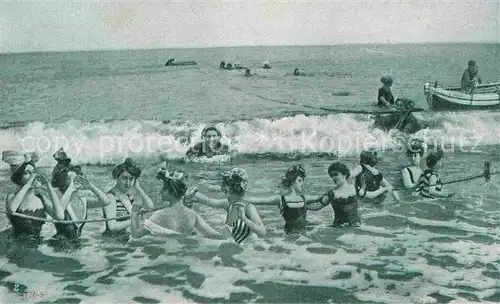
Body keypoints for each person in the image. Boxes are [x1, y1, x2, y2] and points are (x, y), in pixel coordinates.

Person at [130, 167, 223, 239]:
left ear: (172, 192)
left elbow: (136, 236)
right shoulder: (192, 215)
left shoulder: (158, 215)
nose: (160, 192)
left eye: (164, 189)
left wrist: (134, 214)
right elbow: (214, 235)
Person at [189, 168, 266, 244]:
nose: (225, 195)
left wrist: (244, 218)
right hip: (230, 242)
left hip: (244, 246)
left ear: (237, 190)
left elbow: (262, 231)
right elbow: (209, 201)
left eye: (226, 191)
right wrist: (194, 195)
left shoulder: (248, 208)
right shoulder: (229, 203)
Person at [242, 165, 323, 234]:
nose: (302, 183)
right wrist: (240, 199)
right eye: (300, 180)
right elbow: (260, 200)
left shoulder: (305, 198)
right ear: (292, 181)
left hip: (304, 234)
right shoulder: (281, 199)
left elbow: (323, 198)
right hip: (289, 236)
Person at [51, 148, 110, 240]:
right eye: (71, 180)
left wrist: (90, 186)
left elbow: (105, 202)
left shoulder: (83, 201)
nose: (75, 182)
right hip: (59, 247)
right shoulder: (59, 199)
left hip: (75, 247)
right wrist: (71, 187)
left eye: (76, 180)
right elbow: (59, 211)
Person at [2, 151, 65, 238]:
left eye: (34, 172)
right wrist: (29, 184)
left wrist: (49, 187)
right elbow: (12, 210)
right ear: (18, 178)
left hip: (36, 244)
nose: (33, 175)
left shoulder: (40, 199)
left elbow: (60, 217)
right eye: (27, 173)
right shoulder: (12, 196)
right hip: (17, 244)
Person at [102, 158, 154, 234]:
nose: (127, 182)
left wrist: (138, 188)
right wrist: (135, 220)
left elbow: (150, 208)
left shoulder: (128, 196)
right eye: (124, 178)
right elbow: (112, 227)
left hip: (124, 239)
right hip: (112, 242)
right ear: (117, 177)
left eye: (131, 179)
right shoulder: (110, 197)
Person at [306, 163, 362, 227]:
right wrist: (303, 205)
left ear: (344, 174)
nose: (333, 178)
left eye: (336, 174)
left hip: (357, 226)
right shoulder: (331, 194)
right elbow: (316, 207)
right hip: (339, 228)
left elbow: (359, 169)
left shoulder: (353, 187)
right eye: (332, 176)